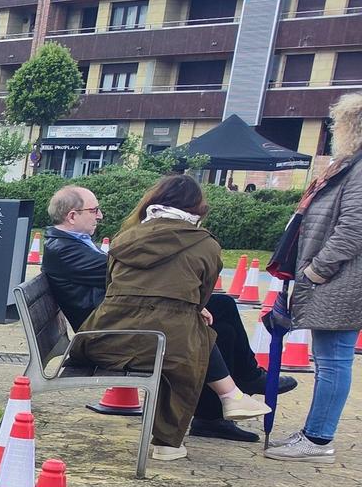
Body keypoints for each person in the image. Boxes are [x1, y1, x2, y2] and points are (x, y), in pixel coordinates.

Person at [39, 182, 276, 442]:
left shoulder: (72, 244)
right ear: (72, 216)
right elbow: (134, 276)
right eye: (94, 210)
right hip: (109, 332)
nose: (100, 215)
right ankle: (226, 398)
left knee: (222, 309)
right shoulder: (63, 250)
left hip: (123, 321)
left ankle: (233, 391)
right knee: (193, 325)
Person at [67, 174, 223, 462]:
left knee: (182, 340)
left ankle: (232, 394)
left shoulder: (126, 238)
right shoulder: (207, 245)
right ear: (197, 208)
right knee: (192, 345)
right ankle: (167, 442)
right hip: (163, 346)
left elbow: (111, 283)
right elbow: (202, 298)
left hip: (103, 338)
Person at [268, 92, 362, 462]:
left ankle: (319, 438)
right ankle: (315, 432)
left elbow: (354, 226)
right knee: (329, 358)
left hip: (343, 279)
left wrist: (318, 269)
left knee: (333, 358)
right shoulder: (350, 166)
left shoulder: (356, 169)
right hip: (340, 277)